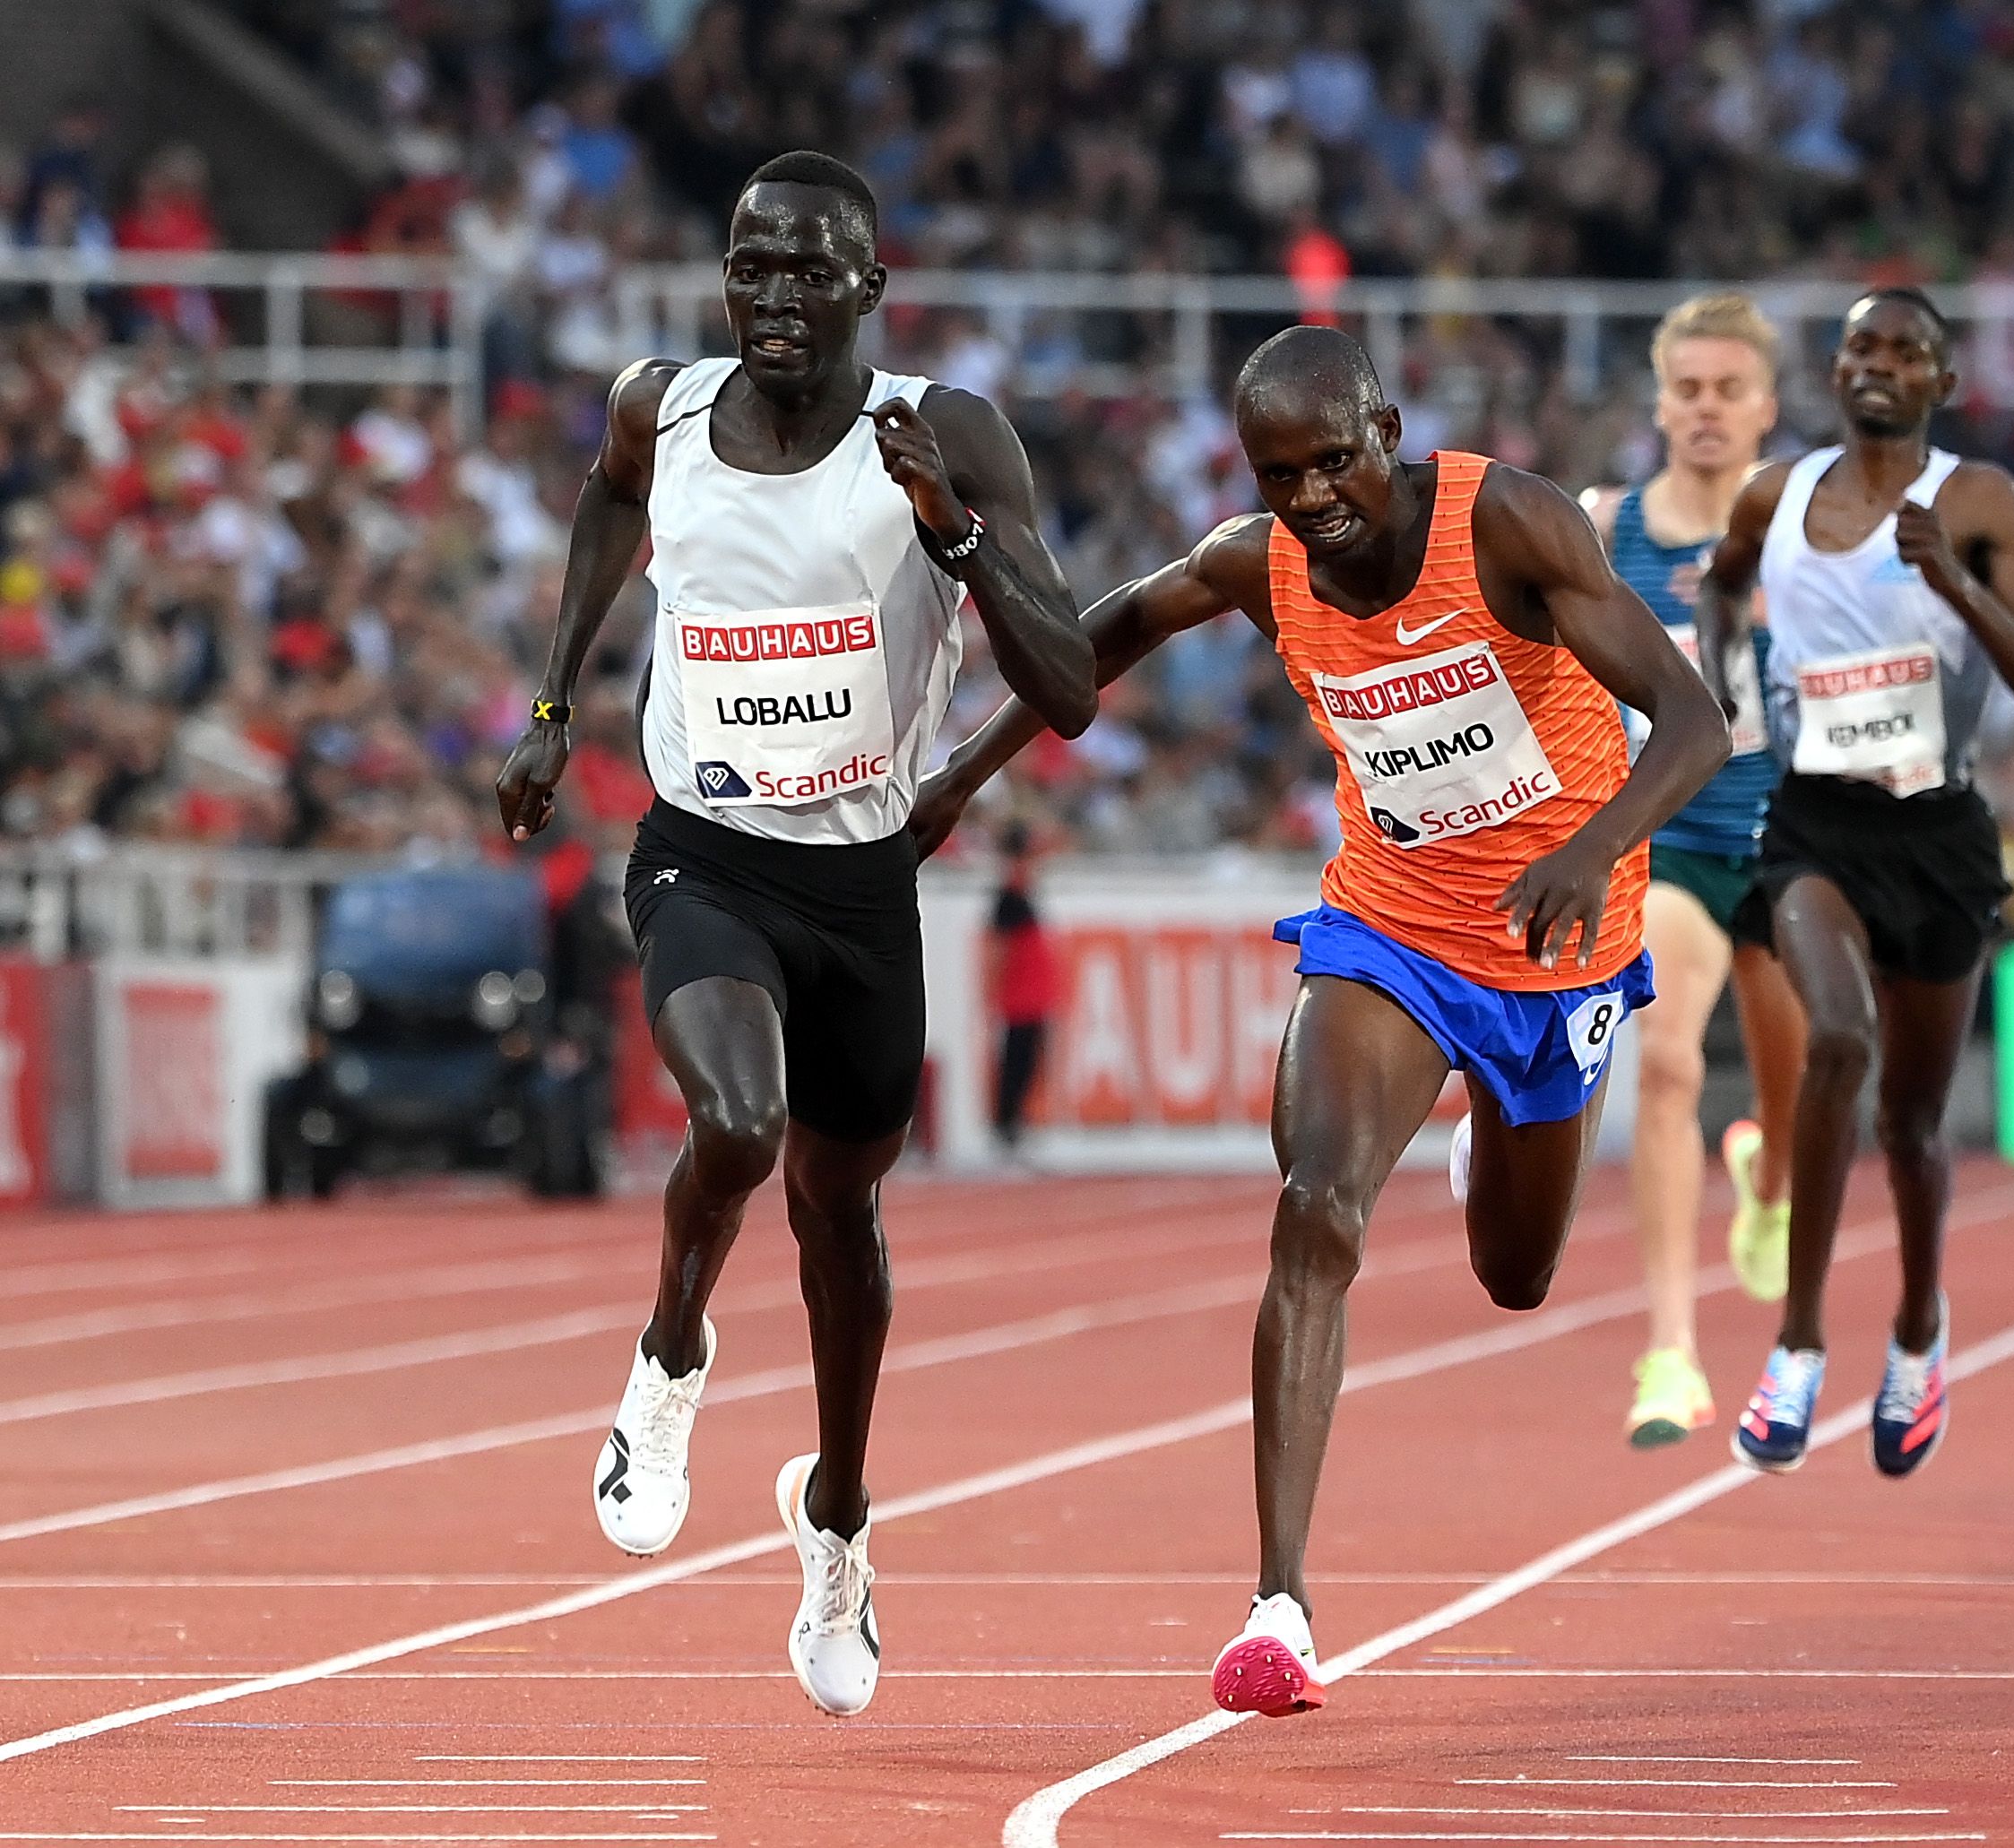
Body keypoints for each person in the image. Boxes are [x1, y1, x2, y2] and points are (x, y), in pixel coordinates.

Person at [908, 324, 1730, 1717]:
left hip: (1554, 940)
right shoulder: (1259, 558)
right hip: (1390, 928)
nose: (1310, 499)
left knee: (1517, 1277)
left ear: (1389, 429)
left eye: (1334, 460)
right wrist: (958, 776)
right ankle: (1278, 1601)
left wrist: (1590, 850)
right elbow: (1112, 627)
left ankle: (1489, 1123)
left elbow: (1695, 722)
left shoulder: (1509, 525)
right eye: (1277, 472)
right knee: (1316, 1206)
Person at [491, 151, 1096, 1718]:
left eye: (806, 271)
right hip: (702, 857)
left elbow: (1071, 688)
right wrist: (553, 707)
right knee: (740, 1123)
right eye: (748, 266)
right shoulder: (657, 407)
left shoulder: (943, 431)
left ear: (867, 290)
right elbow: (609, 504)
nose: (770, 297)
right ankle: (670, 1353)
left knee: (845, 1217)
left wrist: (952, 535)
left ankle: (836, 1520)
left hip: (860, 885)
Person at [1695, 287, 2014, 1479]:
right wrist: (1727, 690)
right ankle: (1798, 1343)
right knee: (1838, 1044)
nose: (1879, 362)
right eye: (1862, 344)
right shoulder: (1778, 492)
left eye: (1906, 350)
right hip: (1813, 822)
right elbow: (1719, 583)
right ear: (1836, 367)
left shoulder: (1974, 503)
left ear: (1941, 384)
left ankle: (1917, 1330)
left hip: (1939, 832)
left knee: (1915, 1122)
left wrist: (1956, 587)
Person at [1577, 292, 1805, 1448]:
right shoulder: (1605, 529)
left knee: (1796, 1094)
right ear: (1661, 402)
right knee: (1663, 1062)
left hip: (1798, 843)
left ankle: (1767, 1177)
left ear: (1767, 406)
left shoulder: (1812, 533)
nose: (1707, 410)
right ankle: (1668, 1351)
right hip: (1673, 843)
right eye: (1688, 390)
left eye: (1730, 391)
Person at [987, 822, 1059, 1154]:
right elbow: (1001, 947)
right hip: (1020, 994)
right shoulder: (1010, 894)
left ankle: (1014, 1122)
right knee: (1017, 1059)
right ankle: (1007, 1124)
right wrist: (995, 987)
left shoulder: (1019, 891)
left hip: (1029, 992)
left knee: (1025, 1059)